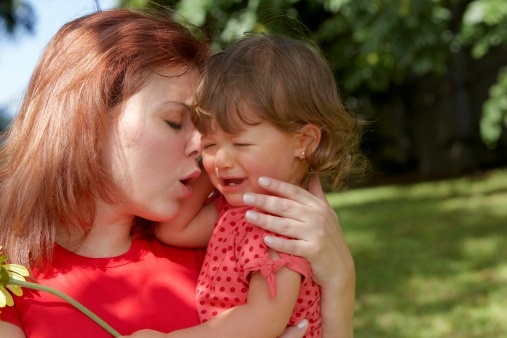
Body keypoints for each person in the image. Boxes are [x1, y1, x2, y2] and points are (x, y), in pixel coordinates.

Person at [0, 8, 355, 338]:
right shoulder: (12, 283)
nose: (204, 146)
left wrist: (339, 283)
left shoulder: (221, 239)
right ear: (87, 120)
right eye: (174, 121)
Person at [141, 34, 364, 338]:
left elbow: (263, 320)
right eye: (209, 144)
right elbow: (173, 229)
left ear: (304, 142)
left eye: (241, 143)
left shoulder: (283, 227)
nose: (220, 160)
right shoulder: (236, 210)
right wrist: (216, 161)